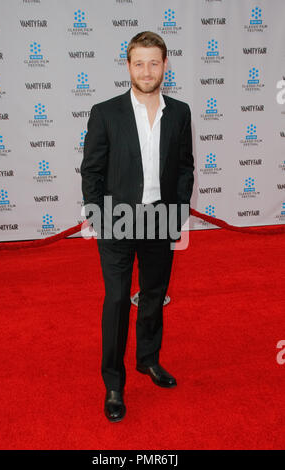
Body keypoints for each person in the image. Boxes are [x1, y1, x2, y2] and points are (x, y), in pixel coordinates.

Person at [80, 31, 194, 422]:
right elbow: (92, 170)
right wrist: (97, 216)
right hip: (116, 220)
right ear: (128, 66)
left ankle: (148, 359)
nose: (147, 70)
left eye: (154, 62)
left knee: (153, 295)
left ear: (166, 65)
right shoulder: (105, 112)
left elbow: (184, 168)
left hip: (159, 219)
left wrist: (177, 215)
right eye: (139, 62)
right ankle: (113, 382)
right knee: (116, 300)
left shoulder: (179, 112)